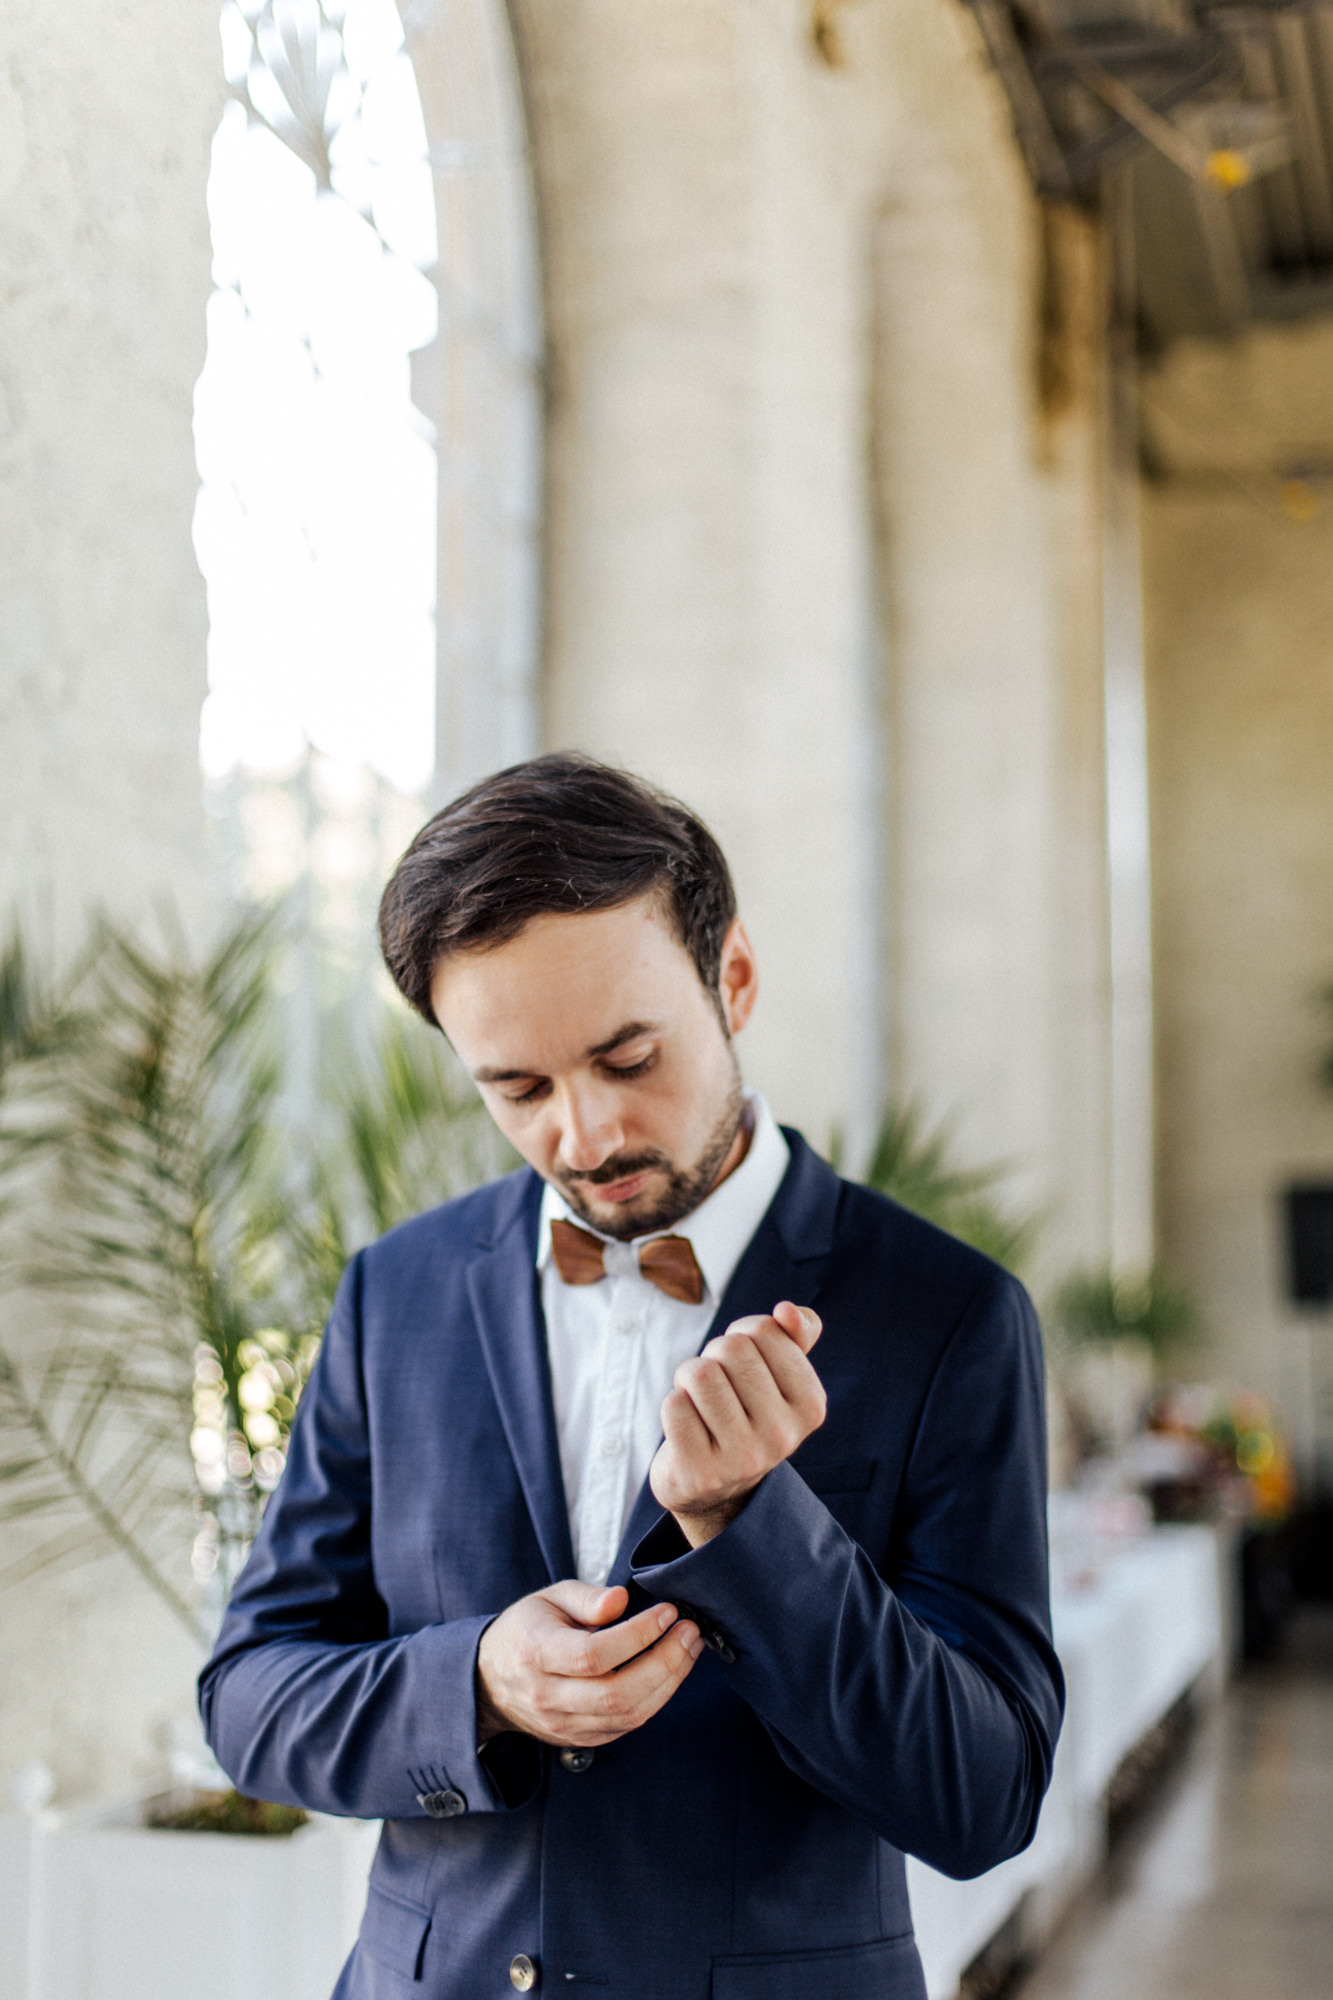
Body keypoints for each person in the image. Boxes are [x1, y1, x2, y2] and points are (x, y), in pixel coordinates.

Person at [199, 753, 1063, 2000]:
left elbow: (985, 1797)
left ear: (736, 979)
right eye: (519, 1087)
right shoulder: (398, 1290)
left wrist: (751, 1527)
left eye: (627, 1056)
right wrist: (479, 1679)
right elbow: (251, 1692)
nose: (585, 1132)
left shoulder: (950, 1314)